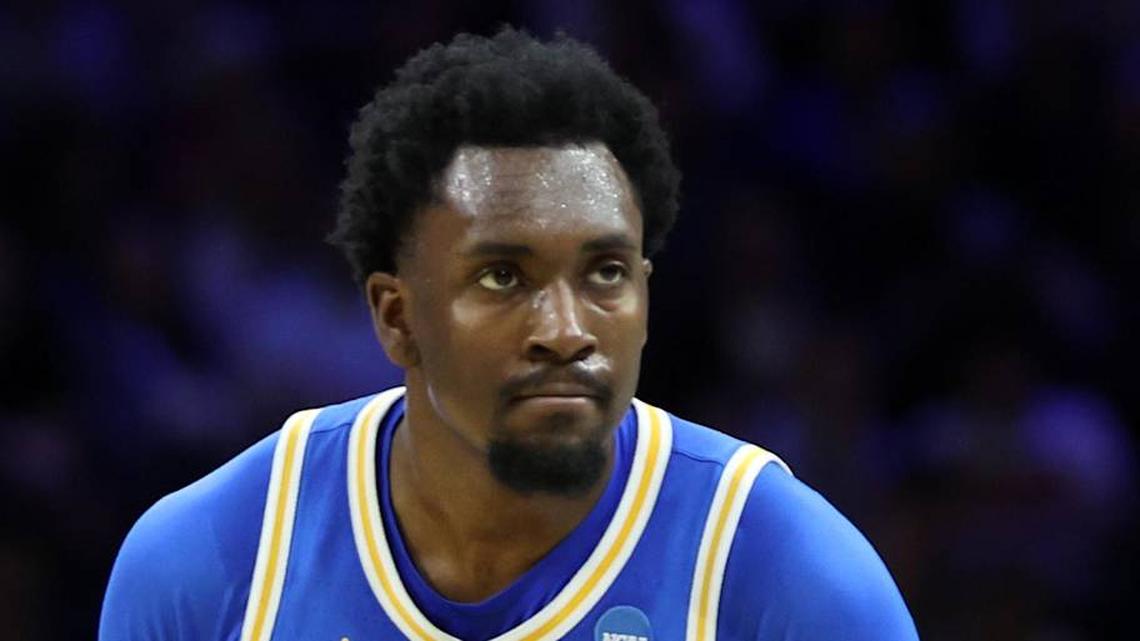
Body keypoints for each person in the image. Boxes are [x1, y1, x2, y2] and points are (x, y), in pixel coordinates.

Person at [100, 28, 919, 641]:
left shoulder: (789, 577)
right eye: (503, 276)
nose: (566, 331)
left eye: (605, 272)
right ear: (396, 316)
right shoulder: (209, 564)